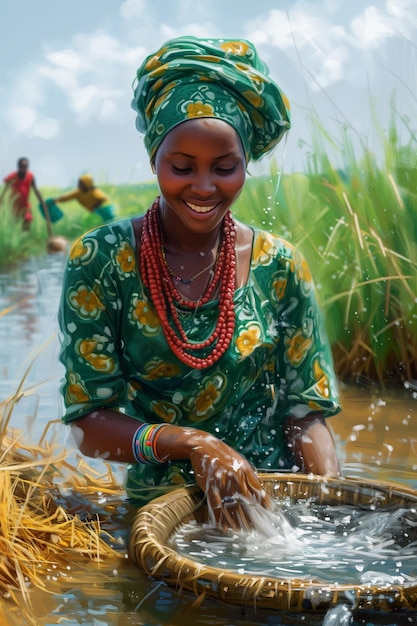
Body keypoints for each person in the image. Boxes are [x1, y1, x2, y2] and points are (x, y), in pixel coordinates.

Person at [58, 36, 341, 531]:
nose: (205, 187)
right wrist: (194, 444)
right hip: (164, 515)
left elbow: (305, 413)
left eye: (225, 168)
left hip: (275, 510)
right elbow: (89, 426)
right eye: (182, 167)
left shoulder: (280, 265)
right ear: (153, 160)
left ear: (245, 164)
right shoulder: (102, 260)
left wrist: (332, 511)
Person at [1, 157, 46, 230]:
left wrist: (42, 202)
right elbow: (5, 188)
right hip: (15, 205)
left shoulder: (30, 176)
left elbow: (35, 190)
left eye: (25, 166)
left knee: (27, 219)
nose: (23, 168)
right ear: (18, 166)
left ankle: (26, 237)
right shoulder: (12, 176)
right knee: (16, 223)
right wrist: (1, 199)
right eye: (22, 166)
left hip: (25, 205)